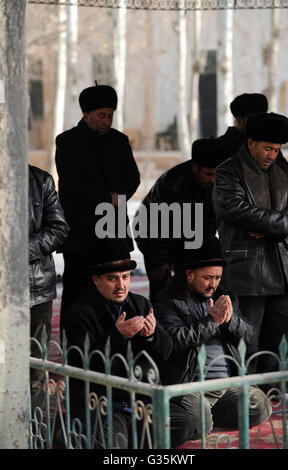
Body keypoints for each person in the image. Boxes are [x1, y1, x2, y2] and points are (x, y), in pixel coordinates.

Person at [62, 246, 195, 449]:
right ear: (96, 280)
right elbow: (82, 363)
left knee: (183, 425)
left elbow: (167, 350)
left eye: (125, 277)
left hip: (140, 401)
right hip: (104, 402)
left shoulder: (139, 303)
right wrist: (118, 336)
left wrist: (152, 335)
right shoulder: (81, 313)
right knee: (113, 443)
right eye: (112, 278)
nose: (121, 285)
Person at [153, 233, 271, 437]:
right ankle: (200, 414)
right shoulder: (168, 300)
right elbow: (174, 340)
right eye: (207, 278)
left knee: (261, 406)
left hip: (226, 383)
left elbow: (249, 336)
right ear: (189, 274)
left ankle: (210, 413)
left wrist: (229, 321)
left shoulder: (224, 296)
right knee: (199, 425)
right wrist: (212, 322)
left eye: (217, 278)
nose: (213, 284)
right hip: (191, 385)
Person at [213, 112, 288, 381]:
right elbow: (235, 210)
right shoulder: (228, 170)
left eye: (277, 149)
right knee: (244, 342)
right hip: (246, 273)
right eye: (268, 148)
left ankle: (271, 394)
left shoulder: (284, 171)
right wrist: (282, 223)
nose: (273, 154)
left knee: (280, 341)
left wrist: (269, 225)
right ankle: (243, 398)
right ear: (250, 143)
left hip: (284, 271)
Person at [55, 84, 140, 334]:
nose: (106, 121)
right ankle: (75, 356)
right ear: (86, 115)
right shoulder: (68, 142)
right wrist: (108, 198)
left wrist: (118, 197)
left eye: (110, 115)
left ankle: (112, 348)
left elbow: (133, 178)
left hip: (113, 231)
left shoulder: (119, 141)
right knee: (77, 293)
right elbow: (72, 184)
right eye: (101, 115)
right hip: (82, 235)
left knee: (116, 293)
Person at [133, 138, 229, 302]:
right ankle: (160, 323)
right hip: (151, 233)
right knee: (162, 285)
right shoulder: (173, 183)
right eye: (208, 174)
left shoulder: (216, 183)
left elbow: (210, 223)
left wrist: (203, 252)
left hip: (188, 232)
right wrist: (160, 261)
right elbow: (158, 225)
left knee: (192, 280)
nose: (212, 179)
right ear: (195, 168)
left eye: (215, 175)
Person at [29, 164, 69, 410]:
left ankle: (30, 430)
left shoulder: (40, 180)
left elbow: (59, 228)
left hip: (35, 288)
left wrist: (19, 250)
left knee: (34, 366)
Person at [217, 93, 268, 158]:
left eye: (263, 118)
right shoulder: (220, 147)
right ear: (240, 120)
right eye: (255, 119)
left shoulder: (267, 145)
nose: (260, 123)